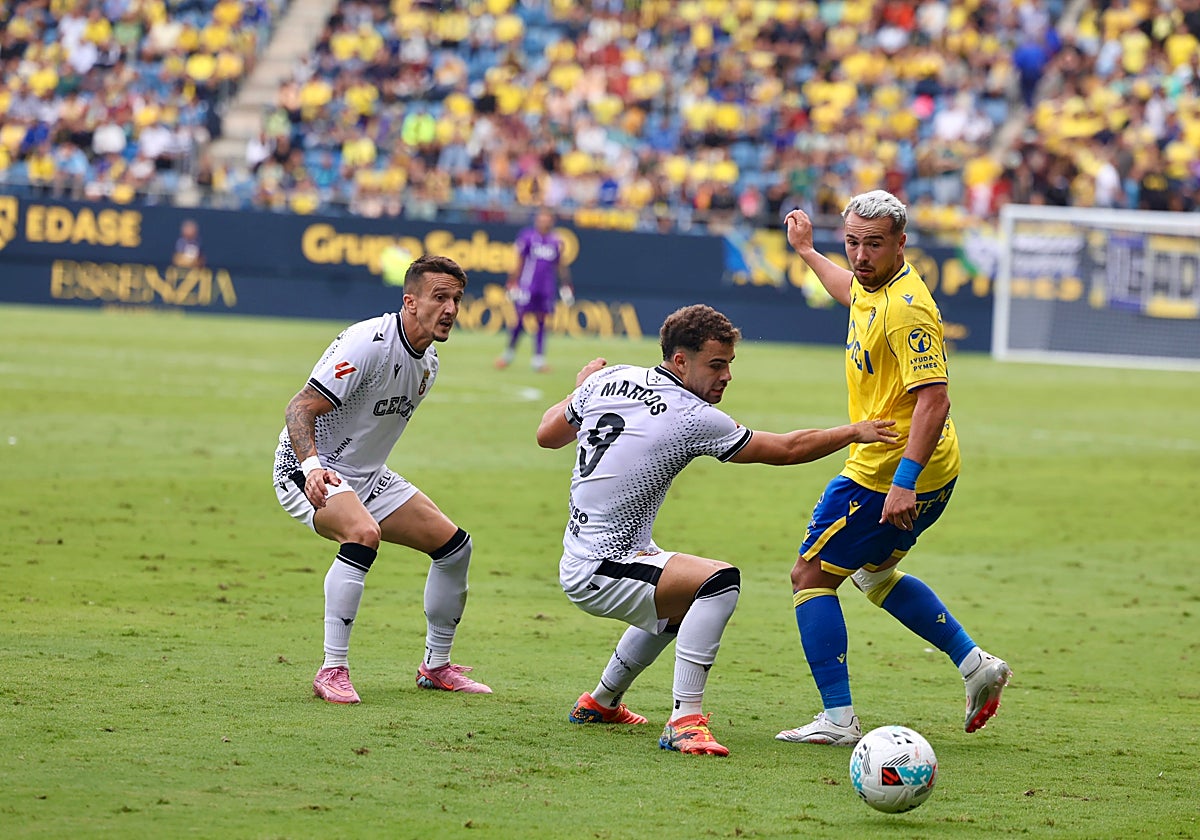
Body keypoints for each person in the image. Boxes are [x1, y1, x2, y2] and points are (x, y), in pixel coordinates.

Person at [536, 304, 898, 756]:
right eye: (715, 365)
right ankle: (684, 721)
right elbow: (786, 449)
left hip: (596, 555)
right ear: (680, 361)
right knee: (718, 582)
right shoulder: (692, 414)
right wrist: (854, 432)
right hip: (602, 565)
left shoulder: (609, 378)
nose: (726, 376)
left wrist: (580, 388)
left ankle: (600, 702)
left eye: (729, 364)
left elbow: (547, 435)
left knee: (685, 598)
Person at [776, 191, 1011, 747]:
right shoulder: (872, 284)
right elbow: (850, 290)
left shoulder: (907, 308)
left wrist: (902, 483)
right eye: (852, 242)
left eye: (874, 245)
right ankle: (975, 664)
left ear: (901, 243)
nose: (860, 255)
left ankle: (838, 719)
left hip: (887, 472)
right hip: (933, 469)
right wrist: (807, 251)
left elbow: (935, 399)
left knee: (809, 577)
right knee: (874, 575)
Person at [273, 254, 491, 704]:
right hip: (308, 469)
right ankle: (332, 670)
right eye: (439, 298)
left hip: (368, 478)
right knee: (363, 533)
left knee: (455, 548)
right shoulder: (368, 343)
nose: (451, 309)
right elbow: (300, 407)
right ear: (410, 302)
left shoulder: (429, 363)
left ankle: (436, 667)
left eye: (456, 299)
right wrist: (312, 468)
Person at [496, 208, 573, 373]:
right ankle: (508, 354)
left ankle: (538, 359)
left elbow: (560, 265)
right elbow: (519, 261)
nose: (544, 222)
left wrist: (566, 285)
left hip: (546, 288)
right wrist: (512, 282)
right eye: (542, 218)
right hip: (528, 285)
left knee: (542, 321)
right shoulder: (527, 237)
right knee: (520, 319)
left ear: (551, 221)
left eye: (547, 219)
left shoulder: (556, 241)